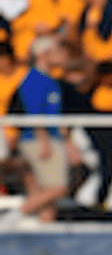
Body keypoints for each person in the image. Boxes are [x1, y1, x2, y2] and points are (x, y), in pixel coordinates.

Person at [4, 35, 67, 224]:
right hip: (38, 139)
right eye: (56, 51)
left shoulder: (50, 79)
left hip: (47, 137)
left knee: (41, 192)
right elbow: (34, 113)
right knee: (58, 187)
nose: (61, 55)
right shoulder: (34, 80)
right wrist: (44, 141)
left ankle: (44, 236)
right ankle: (12, 218)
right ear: (42, 55)